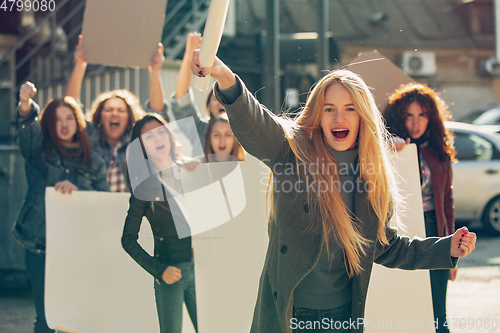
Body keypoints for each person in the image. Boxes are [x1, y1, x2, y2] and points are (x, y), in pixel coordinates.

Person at [190, 52, 477, 333]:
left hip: (342, 316)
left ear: (362, 115)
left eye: (349, 108)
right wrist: (225, 77)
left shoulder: (372, 174)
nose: (339, 117)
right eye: (329, 109)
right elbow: (257, 124)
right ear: (319, 114)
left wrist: (444, 248)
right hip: (291, 316)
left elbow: (385, 246)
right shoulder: (291, 152)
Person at [14, 82, 109, 333]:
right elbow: (26, 131)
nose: (64, 124)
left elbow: (105, 198)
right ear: (48, 124)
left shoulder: (93, 160)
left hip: (79, 248)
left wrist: (80, 192)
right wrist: (25, 105)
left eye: (69, 117)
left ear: (79, 121)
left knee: (74, 318)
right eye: (57, 120)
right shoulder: (39, 151)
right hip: (39, 245)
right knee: (46, 318)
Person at [383, 83, 457, 333]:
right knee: (409, 302)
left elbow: (447, 201)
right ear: (399, 117)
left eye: (422, 115)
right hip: (403, 232)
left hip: (436, 230)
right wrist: (387, 149)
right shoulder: (390, 148)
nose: (415, 123)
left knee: (438, 310)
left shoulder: (440, 152)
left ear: (431, 117)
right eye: (409, 116)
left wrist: (452, 253)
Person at [121, 113, 198, 333]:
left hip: (203, 267)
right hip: (171, 273)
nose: (157, 139)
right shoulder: (143, 188)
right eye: (148, 136)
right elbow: (127, 240)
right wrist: (159, 270)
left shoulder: (194, 171)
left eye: (161, 131)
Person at [64, 35, 169, 192]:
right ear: (100, 116)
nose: (114, 114)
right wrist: (80, 65)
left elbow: (157, 113)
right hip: (94, 209)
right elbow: (69, 110)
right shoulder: (90, 136)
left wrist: (154, 72)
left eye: (121, 110)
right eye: (108, 110)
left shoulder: (136, 141)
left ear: (129, 117)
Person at [171, 32, 226, 156]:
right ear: (208, 106)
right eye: (216, 98)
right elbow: (181, 100)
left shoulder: (244, 133)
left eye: (226, 98)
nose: (222, 102)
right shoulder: (200, 130)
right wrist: (189, 54)